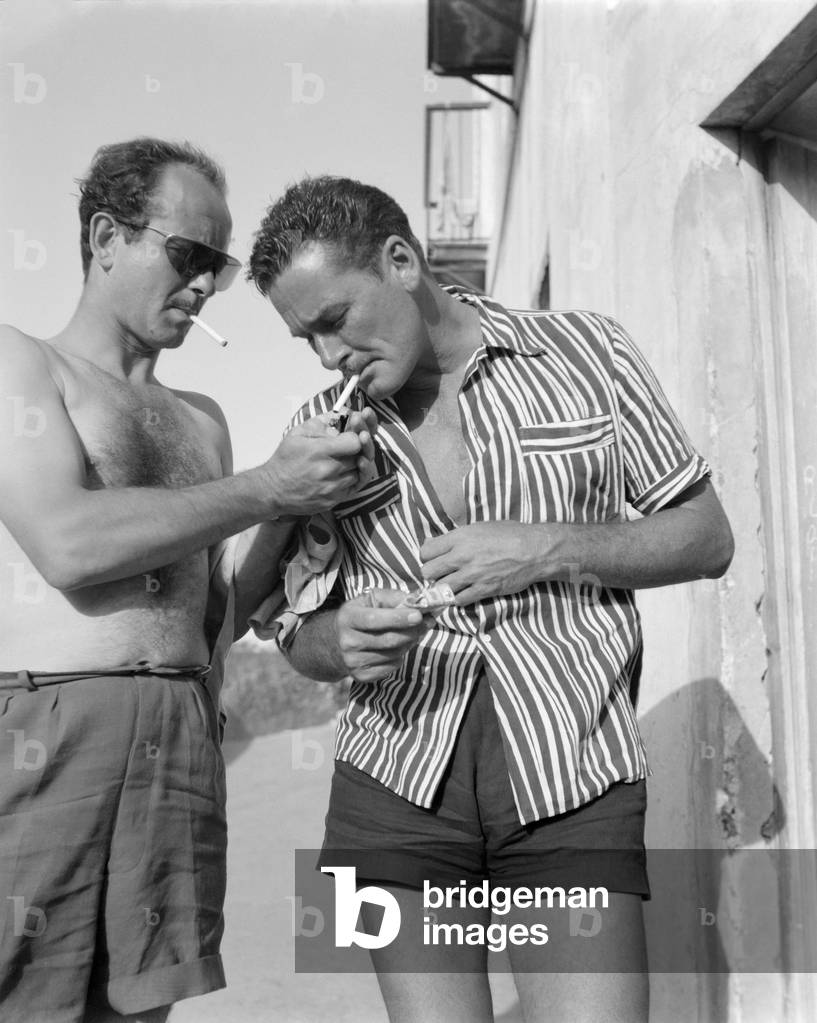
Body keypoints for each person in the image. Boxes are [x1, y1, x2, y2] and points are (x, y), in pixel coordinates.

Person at [247, 176, 735, 1023]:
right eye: (305, 339)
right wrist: (341, 640)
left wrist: (544, 547)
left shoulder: (588, 354)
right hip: (393, 781)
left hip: (570, 772)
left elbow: (705, 536)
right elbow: (288, 628)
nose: (328, 356)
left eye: (334, 320)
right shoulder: (320, 431)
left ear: (401, 260)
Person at [0, 141, 376, 1023]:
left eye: (222, 265)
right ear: (105, 237)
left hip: (182, 733)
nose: (207, 286)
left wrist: (295, 523)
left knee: (142, 1006)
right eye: (190, 256)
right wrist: (265, 489)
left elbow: (208, 618)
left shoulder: (202, 422)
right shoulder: (22, 366)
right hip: (52, 732)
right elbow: (68, 546)